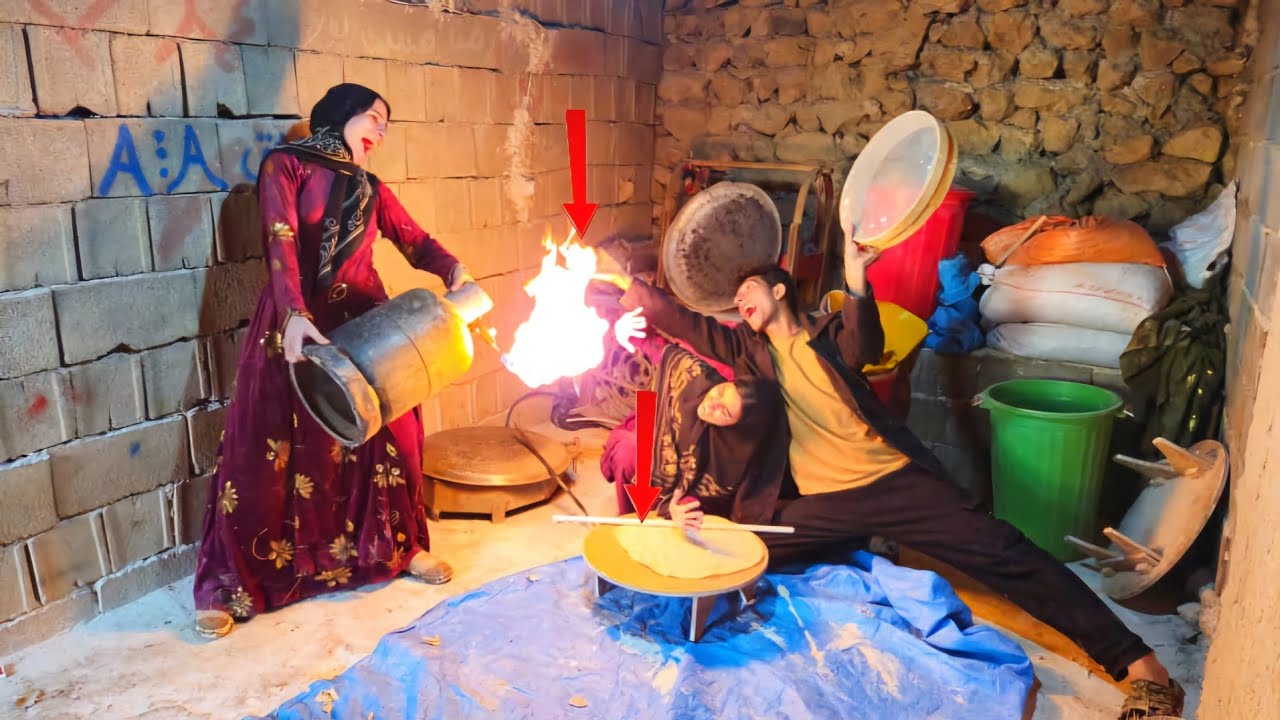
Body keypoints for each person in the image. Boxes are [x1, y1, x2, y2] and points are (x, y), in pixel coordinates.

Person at [599, 238, 1185, 719]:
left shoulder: (830, 334)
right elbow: (679, 319)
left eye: (747, 288)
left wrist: (857, 277)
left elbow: (868, 343)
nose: (737, 299)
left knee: (1003, 552)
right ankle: (849, 548)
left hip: (896, 484)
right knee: (740, 544)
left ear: (779, 288)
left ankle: (1143, 669)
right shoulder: (745, 350)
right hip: (825, 502)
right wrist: (626, 285)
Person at [194, 84, 467, 639]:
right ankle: (232, 581)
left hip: (366, 323)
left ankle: (400, 549)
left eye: (387, 124)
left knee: (393, 439)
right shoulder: (286, 167)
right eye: (374, 118)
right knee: (264, 452)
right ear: (341, 116)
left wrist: (456, 272)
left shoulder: (371, 187)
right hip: (295, 324)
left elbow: (415, 241)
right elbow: (281, 240)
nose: (381, 132)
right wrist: (294, 313)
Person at [601, 341, 786, 522]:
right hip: (647, 428)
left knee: (678, 524)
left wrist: (681, 508)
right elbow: (660, 350)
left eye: (725, 412)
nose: (712, 404)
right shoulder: (696, 375)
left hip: (674, 483)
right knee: (629, 452)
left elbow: (706, 499)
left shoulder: (732, 458)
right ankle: (629, 518)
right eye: (721, 392)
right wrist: (630, 335)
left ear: (736, 426)